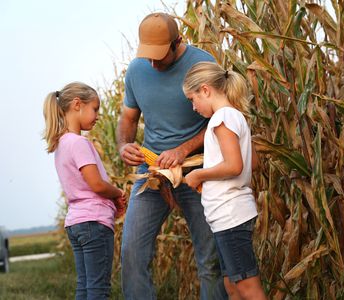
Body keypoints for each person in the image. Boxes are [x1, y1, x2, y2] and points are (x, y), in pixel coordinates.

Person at [117, 12, 227, 299]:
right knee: (132, 253)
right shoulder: (137, 70)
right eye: (147, 56)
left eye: (159, 56)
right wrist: (123, 146)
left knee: (210, 259)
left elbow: (223, 118)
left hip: (197, 171)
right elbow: (128, 119)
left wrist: (183, 149)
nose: (152, 63)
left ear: (178, 42)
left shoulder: (202, 65)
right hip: (152, 173)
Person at [183, 62, 267, 300]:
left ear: (206, 90)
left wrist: (199, 174)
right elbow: (252, 163)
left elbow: (234, 166)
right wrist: (212, 183)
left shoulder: (221, 118)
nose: (193, 106)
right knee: (232, 286)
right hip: (225, 217)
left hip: (231, 216)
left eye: (193, 98)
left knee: (248, 288)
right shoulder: (234, 116)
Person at [43, 82, 127, 300]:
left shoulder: (60, 144)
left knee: (84, 287)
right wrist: (118, 193)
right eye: (95, 109)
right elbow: (96, 184)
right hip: (94, 222)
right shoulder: (79, 143)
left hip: (76, 223)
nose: (98, 115)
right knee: (98, 289)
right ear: (77, 105)